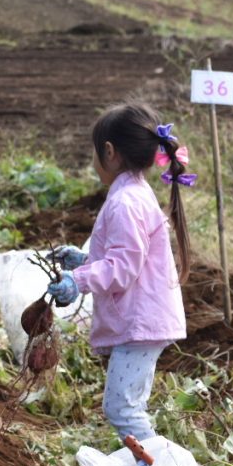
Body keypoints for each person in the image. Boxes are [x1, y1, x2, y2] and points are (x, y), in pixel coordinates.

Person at [46, 102, 190, 442]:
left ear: (109, 152)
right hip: (141, 318)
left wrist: (77, 281)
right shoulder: (135, 193)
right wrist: (82, 261)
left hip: (139, 323)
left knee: (122, 410)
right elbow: (125, 259)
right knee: (126, 407)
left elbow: (123, 268)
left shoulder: (125, 202)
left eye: (94, 153)